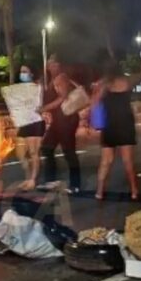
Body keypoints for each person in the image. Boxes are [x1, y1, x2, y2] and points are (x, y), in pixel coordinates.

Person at [92, 56, 141, 200]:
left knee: (105, 161)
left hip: (109, 126)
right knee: (128, 161)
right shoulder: (127, 81)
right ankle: (134, 191)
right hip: (125, 125)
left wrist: (95, 123)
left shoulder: (103, 85)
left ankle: (99, 191)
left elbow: (94, 104)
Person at [39, 54, 83, 193]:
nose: (50, 66)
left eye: (53, 63)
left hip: (67, 120)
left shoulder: (61, 78)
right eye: (49, 63)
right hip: (58, 120)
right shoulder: (52, 80)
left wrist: (46, 108)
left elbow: (63, 97)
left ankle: (75, 185)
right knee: (47, 147)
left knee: (69, 152)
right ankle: (51, 181)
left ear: (58, 65)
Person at [13, 65, 43, 191]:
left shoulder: (37, 87)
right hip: (23, 122)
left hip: (34, 121)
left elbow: (38, 105)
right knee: (20, 153)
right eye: (21, 72)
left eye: (25, 71)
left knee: (33, 152)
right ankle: (27, 177)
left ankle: (33, 179)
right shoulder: (19, 89)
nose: (22, 74)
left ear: (31, 74)